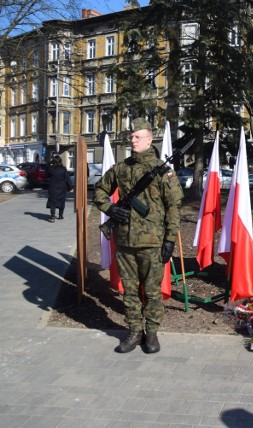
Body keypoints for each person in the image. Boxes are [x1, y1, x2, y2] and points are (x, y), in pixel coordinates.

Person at [94, 118, 183, 354]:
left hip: (153, 242)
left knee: (152, 291)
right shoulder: (121, 169)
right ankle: (134, 331)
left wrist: (170, 239)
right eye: (131, 137)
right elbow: (100, 191)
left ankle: (151, 333)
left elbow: (174, 207)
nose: (133, 140)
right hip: (124, 241)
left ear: (149, 139)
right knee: (130, 290)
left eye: (138, 137)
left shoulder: (163, 172)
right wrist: (111, 209)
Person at [46, 155, 73, 223]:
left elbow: (46, 173)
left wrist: (50, 162)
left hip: (52, 187)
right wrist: (70, 187)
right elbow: (67, 178)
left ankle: (52, 216)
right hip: (62, 187)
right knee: (61, 201)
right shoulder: (63, 169)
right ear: (61, 161)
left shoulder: (51, 169)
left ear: (53, 161)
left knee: (53, 202)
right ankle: (60, 215)